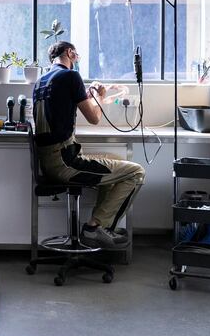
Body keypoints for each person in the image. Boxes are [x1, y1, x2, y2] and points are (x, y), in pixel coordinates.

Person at [32, 41, 145, 250]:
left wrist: (91, 95)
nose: (77, 61)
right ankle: (94, 228)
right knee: (135, 172)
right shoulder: (70, 76)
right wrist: (100, 97)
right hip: (65, 162)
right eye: (77, 56)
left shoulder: (41, 81)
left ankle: (101, 226)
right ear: (70, 53)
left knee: (118, 163)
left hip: (50, 161)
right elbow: (94, 117)